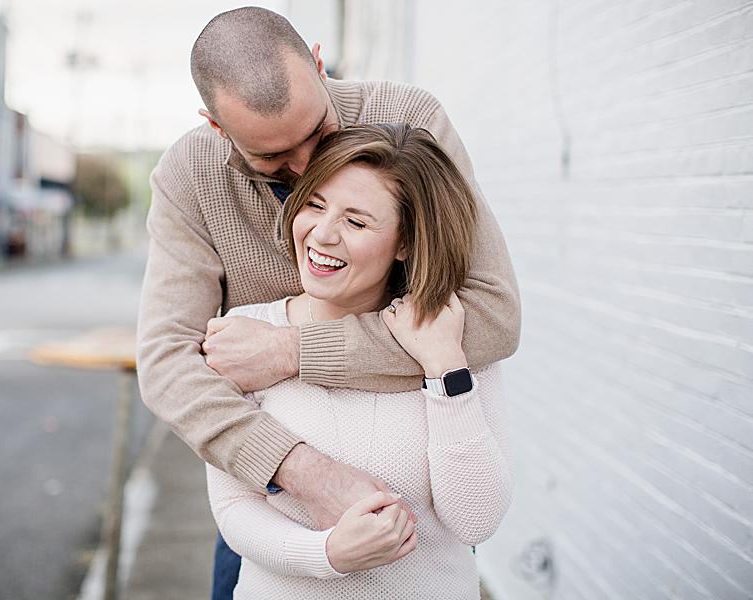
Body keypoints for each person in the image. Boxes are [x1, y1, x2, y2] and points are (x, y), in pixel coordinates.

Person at [135, 7, 520, 596]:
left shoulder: (409, 121)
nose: (310, 167)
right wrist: (302, 472)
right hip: (271, 499)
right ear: (216, 126)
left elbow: (491, 315)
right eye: (273, 160)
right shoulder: (190, 175)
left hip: (422, 496)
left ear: (319, 64)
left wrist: (295, 351)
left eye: (318, 133)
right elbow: (167, 363)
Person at [206, 123, 512, 599]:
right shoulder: (246, 335)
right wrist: (326, 554)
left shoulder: (450, 336)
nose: (322, 235)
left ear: (406, 242)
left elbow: (476, 519)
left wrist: (444, 369)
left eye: (356, 221)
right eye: (314, 204)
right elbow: (232, 508)